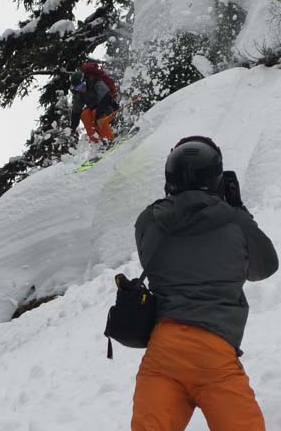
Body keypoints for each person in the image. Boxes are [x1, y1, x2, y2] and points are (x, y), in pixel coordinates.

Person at [131, 135, 279, 431]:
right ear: (218, 179)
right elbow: (266, 266)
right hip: (215, 353)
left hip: (163, 352)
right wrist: (237, 208)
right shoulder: (235, 222)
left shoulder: (148, 221)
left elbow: (153, 255)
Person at [70, 69, 118, 143]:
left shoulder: (96, 82)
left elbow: (106, 98)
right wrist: (72, 128)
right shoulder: (79, 93)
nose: (81, 89)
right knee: (84, 114)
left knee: (95, 113)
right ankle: (97, 142)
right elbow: (76, 111)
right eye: (78, 88)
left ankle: (109, 139)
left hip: (108, 107)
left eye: (82, 86)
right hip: (95, 111)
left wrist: (98, 116)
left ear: (85, 81)